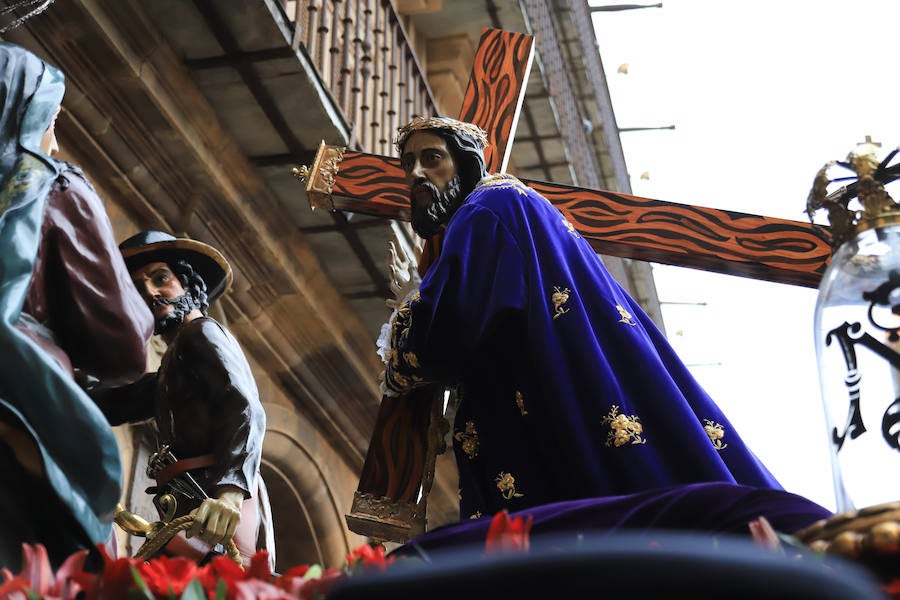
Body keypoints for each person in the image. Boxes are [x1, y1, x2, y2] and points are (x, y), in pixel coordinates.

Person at [378, 116, 833, 552]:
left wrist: (406, 319)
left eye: (433, 158)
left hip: (559, 413)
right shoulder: (513, 208)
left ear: (468, 162)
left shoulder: (486, 207)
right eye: (408, 165)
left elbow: (448, 329)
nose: (417, 174)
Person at [0, 42, 154, 570]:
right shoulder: (53, 186)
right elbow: (125, 346)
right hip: (22, 415)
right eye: (52, 119)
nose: (56, 137)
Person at [94, 230, 274, 569]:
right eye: (136, 289)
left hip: (216, 506)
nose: (150, 293)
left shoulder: (201, 333)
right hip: (190, 507)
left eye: (161, 278)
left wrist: (231, 492)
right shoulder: (171, 371)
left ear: (188, 284)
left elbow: (246, 407)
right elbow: (110, 403)